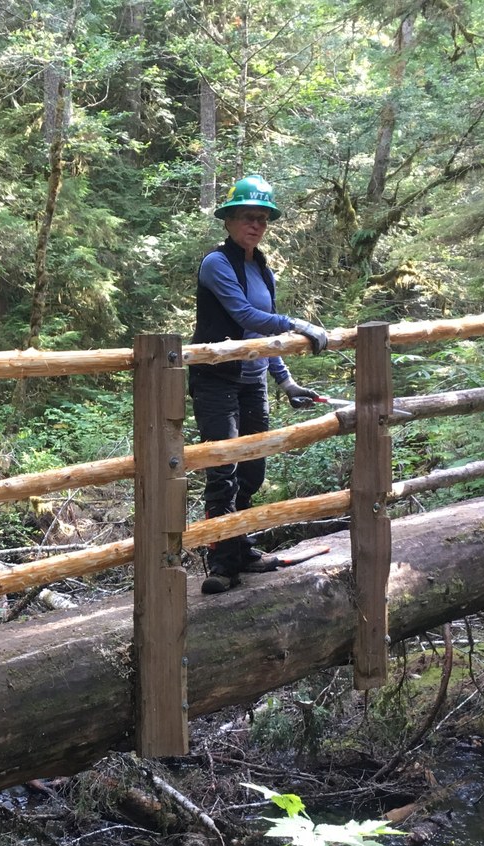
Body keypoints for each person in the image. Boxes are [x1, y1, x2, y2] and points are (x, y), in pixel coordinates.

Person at [190, 174, 329, 595]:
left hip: (252, 382)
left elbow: (263, 339)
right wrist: (298, 324)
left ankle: (241, 547)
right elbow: (248, 317)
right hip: (216, 380)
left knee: (253, 469)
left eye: (263, 218)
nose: (256, 225)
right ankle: (221, 562)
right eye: (248, 217)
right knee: (224, 469)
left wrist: (285, 381)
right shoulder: (217, 263)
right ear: (229, 220)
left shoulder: (261, 267)